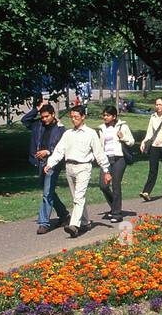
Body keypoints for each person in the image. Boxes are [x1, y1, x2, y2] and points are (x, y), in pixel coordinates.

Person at [44, 106, 112, 237]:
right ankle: (85, 222)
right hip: (69, 167)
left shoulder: (91, 133)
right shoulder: (68, 133)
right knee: (76, 197)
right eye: (72, 117)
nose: (74, 120)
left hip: (84, 167)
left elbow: (99, 153)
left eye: (76, 117)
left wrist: (106, 170)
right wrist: (50, 163)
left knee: (79, 197)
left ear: (83, 117)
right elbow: (59, 150)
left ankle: (74, 225)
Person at [22, 100, 68, 234]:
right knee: (50, 191)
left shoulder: (60, 129)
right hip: (40, 162)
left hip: (53, 162)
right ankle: (64, 215)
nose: (44, 119)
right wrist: (36, 109)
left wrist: (48, 151)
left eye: (47, 116)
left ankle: (44, 223)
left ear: (53, 114)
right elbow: (25, 121)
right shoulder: (38, 125)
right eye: (42, 117)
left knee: (47, 192)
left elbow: (61, 147)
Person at [97, 104, 136, 221]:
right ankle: (114, 205)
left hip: (119, 158)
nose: (105, 117)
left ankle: (116, 213)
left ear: (114, 116)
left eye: (107, 115)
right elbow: (99, 145)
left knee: (116, 185)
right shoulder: (101, 128)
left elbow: (132, 142)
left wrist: (123, 137)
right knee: (103, 186)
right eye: (104, 115)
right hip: (106, 159)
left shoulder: (122, 126)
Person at [139, 96, 162, 201]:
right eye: (156, 104)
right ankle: (146, 192)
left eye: (160, 104)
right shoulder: (153, 117)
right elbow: (149, 132)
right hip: (155, 147)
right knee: (152, 170)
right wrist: (143, 141)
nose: (158, 106)